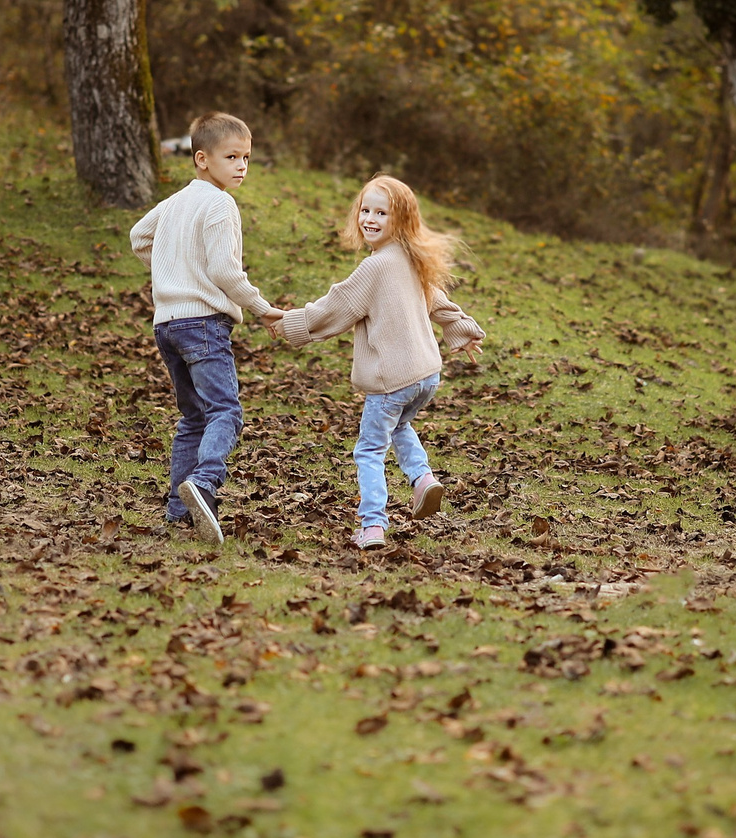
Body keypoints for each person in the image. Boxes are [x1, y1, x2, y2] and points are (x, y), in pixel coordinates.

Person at [266, 175, 484, 550]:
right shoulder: (411, 259)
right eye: (365, 210)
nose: (370, 218)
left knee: (369, 449)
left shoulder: (375, 268)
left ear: (400, 220)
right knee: (398, 425)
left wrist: (288, 323)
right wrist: (460, 326)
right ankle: (423, 479)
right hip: (425, 376)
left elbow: (336, 306)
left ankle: (372, 526)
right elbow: (437, 300)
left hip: (392, 379)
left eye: (381, 212)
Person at [129, 113, 279, 544]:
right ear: (201, 158)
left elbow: (139, 236)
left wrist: (170, 275)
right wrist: (262, 308)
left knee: (193, 418)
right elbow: (226, 273)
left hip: (168, 325)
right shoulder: (219, 204)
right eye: (231, 157)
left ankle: (180, 512)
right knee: (225, 412)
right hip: (204, 324)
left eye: (246, 158)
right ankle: (205, 482)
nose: (241, 167)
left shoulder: (176, 202)